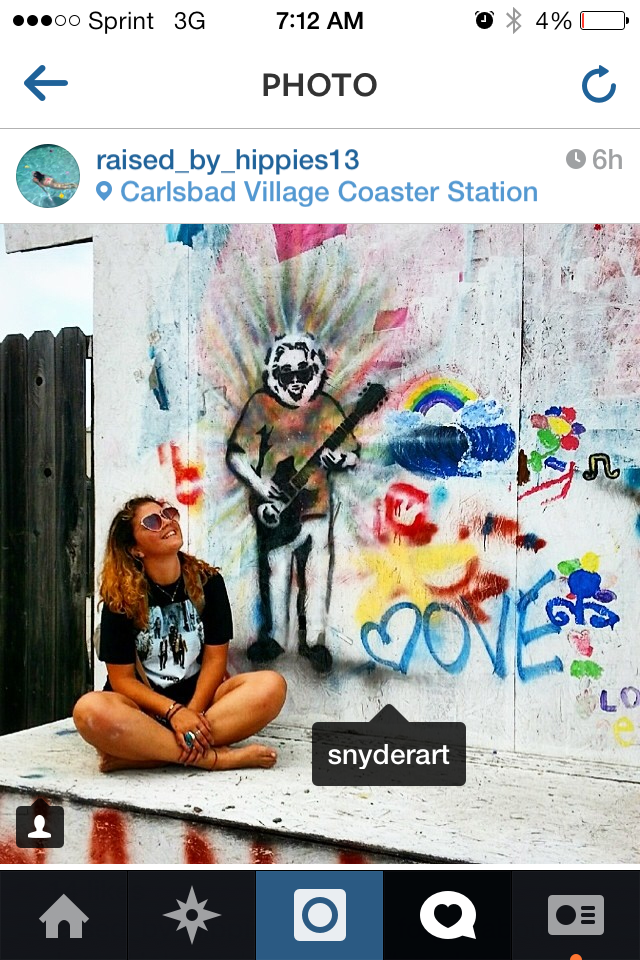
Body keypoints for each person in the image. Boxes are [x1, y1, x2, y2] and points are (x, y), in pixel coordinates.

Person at [73, 496, 287, 772]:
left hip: (202, 706)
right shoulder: (121, 598)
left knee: (271, 686)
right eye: (152, 521)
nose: (167, 522)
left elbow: (215, 660)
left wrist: (191, 714)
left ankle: (150, 754)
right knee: (88, 710)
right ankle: (213, 759)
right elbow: (122, 680)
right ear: (135, 549)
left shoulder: (208, 582)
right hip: (142, 711)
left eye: (169, 514)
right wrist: (173, 712)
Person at [227, 333, 359, 674]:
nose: (296, 381)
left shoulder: (325, 407)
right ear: (274, 375)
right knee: (276, 573)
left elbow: (351, 452)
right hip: (276, 511)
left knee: (315, 575)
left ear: (315, 371)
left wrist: (339, 460)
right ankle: (275, 638)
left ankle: (314, 641)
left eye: (304, 372)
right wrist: (260, 484)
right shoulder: (261, 405)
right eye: (287, 374)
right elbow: (237, 454)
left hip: (316, 509)